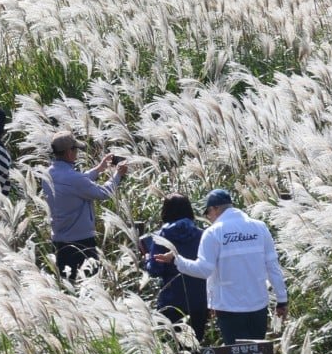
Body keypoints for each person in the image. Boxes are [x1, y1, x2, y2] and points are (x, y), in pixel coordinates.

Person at [153, 189, 288, 354]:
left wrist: (176, 260)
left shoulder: (214, 233)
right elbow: (273, 266)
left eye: (208, 213)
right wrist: (282, 300)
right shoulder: (259, 228)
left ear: (215, 209)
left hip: (229, 308)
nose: (208, 218)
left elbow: (203, 270)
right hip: (258, 306)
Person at [41, 131, 128, 279]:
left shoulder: (47, 174)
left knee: (67, 285)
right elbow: (103, 193)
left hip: (58, 242)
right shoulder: (74, 179)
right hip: (81, 243)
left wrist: (99, 168)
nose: (77, 153)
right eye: (76, 150)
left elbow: (77, 182)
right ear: (69, 152)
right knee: (89, 285)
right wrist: (118, 175)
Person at [139, 194, 209, 341]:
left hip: (171, 301)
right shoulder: (203, 235)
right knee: (196, 346)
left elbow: (155, 270)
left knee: (172, 348)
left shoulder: (161, 237)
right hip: (199, 300)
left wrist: (147, 259)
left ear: (166, 211)